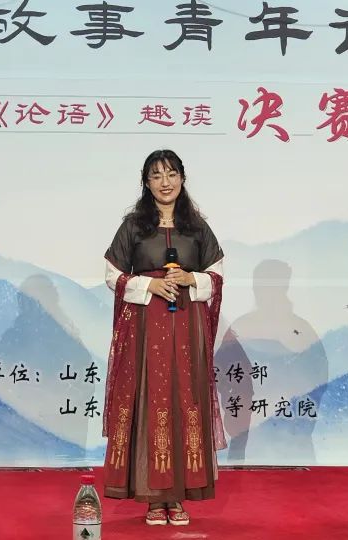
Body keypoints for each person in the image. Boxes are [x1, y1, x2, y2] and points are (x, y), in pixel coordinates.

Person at [102, 149, 225, 526]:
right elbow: (112, 274)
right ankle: (154, 498)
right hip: (145, 326)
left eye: (171, 174)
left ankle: (178, 496)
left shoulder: (197, 227)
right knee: (149, 398)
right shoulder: (134, 226)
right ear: (146, 182)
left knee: (185, 397)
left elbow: (217, 274)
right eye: (156, 176)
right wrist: (149, 285)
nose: (165, 182)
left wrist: (191, 278)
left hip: (187, 325)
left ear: (182, 179)